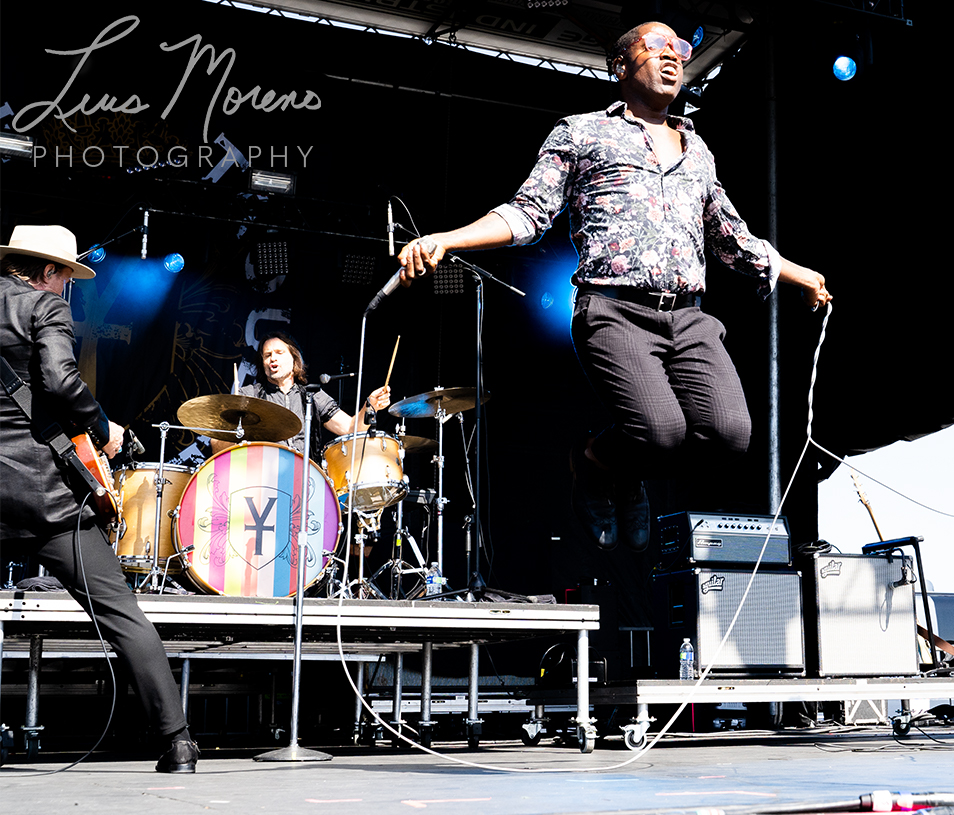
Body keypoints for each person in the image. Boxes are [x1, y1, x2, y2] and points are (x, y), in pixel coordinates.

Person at [396, 21, 830, 551]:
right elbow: (528, 212)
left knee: (730, 434)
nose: (673, 56)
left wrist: (799, 273)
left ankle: (617, 469)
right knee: (662, 432)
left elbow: (731, 237)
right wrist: (449, 238)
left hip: (689, 317)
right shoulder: (580, 132)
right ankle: (594, 461)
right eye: (656, 46)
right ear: (620, 66)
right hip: (614, 309)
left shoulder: (699, 151)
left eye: (681, 48)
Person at [0, 225, 199, 772]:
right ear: (46, 272)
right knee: (121, 615)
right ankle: (177, 741)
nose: (67, 288)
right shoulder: (43, 308)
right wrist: (104, 428)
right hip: (47, 500)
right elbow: (61, 382)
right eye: (65, 276)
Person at [210, 332, 391, 456]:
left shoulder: (312, 395)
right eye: (267, 355)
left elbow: (350, 428)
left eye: (279, 353)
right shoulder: (248, 395)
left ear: (294, 358)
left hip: (307, 477)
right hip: (261, 478)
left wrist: (370, 406)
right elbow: (216, 445)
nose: (273, 358)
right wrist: (233, 431)